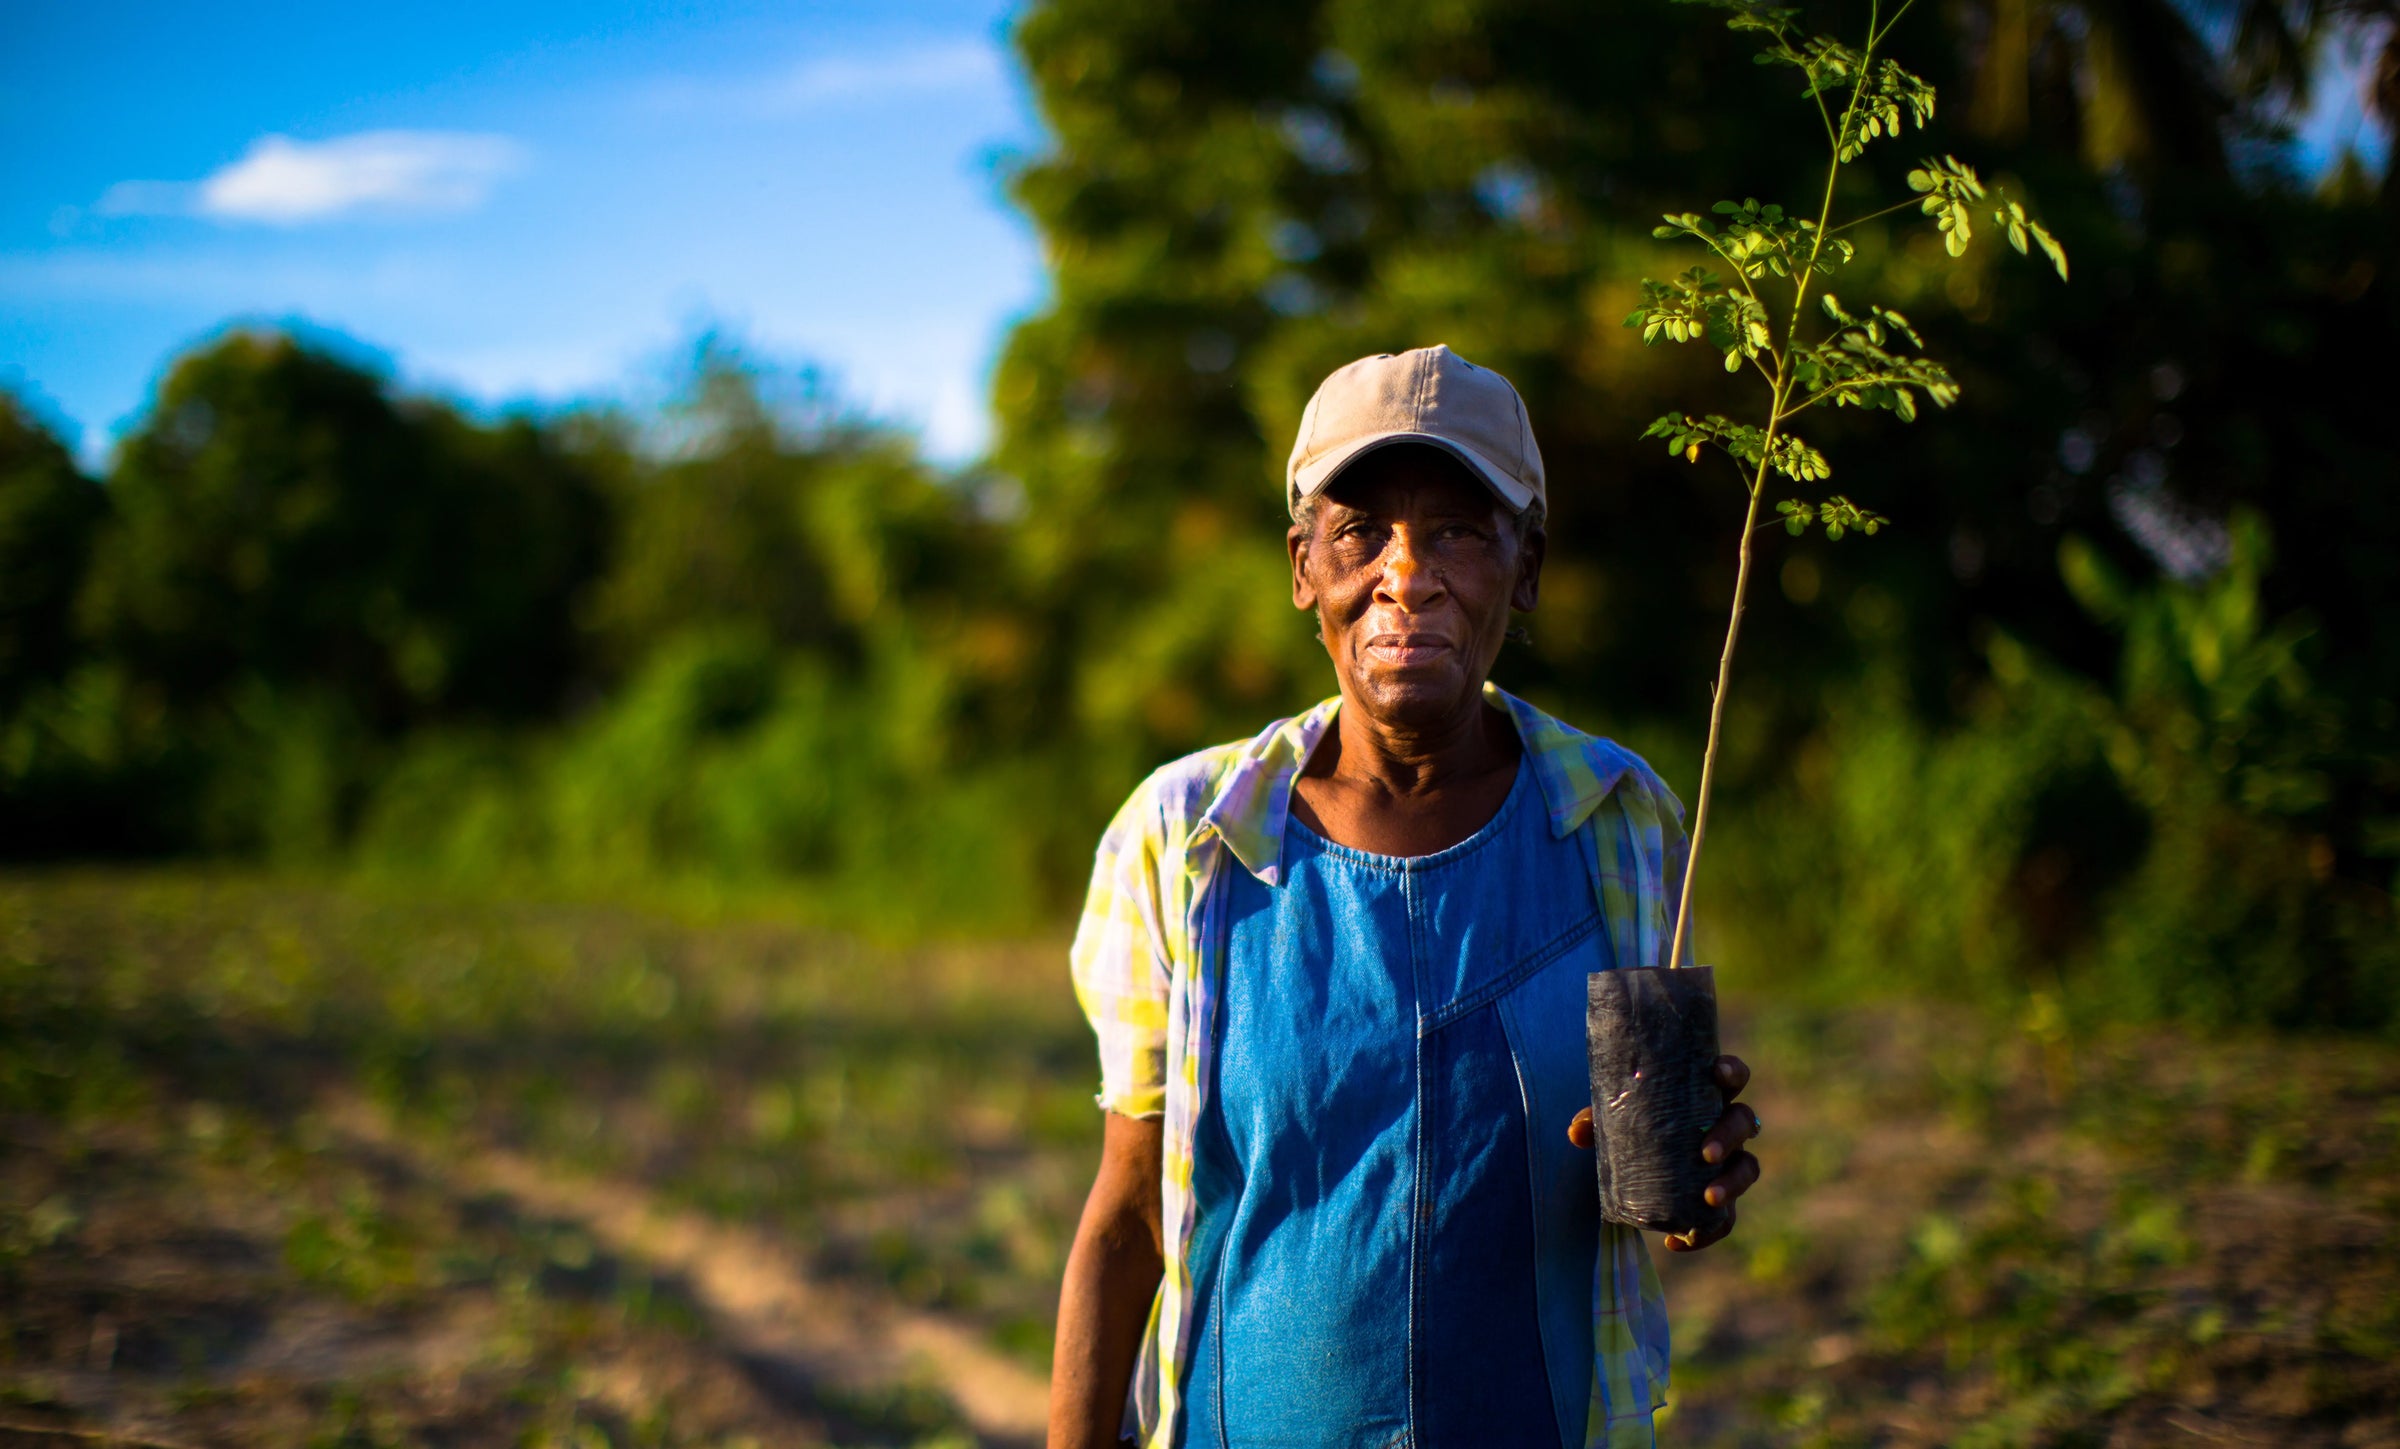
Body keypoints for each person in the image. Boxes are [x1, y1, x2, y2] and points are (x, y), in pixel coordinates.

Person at [1049, 346, 1762, 1449]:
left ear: (1525, 569)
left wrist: (1689, 1187)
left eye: (1461, 532)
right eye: (1360, 532)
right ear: (1302, 568)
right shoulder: (1183, 838)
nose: (1406, 575)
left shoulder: (1620, 820)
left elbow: (1648, 1184)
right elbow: (1131, 1208)